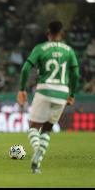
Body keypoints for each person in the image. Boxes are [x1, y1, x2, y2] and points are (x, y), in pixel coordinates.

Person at [17, 21, 80, 174]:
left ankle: (37, 150)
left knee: (33, 127)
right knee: (47, 128)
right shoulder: (69, 51)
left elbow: (26, 68)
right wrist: (71, 94)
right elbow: (76, 74)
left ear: (48, 33)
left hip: (45, 89)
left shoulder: (40, 48)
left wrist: (22, 90)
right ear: (62, 33)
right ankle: (37, 163)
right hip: (62, 93)